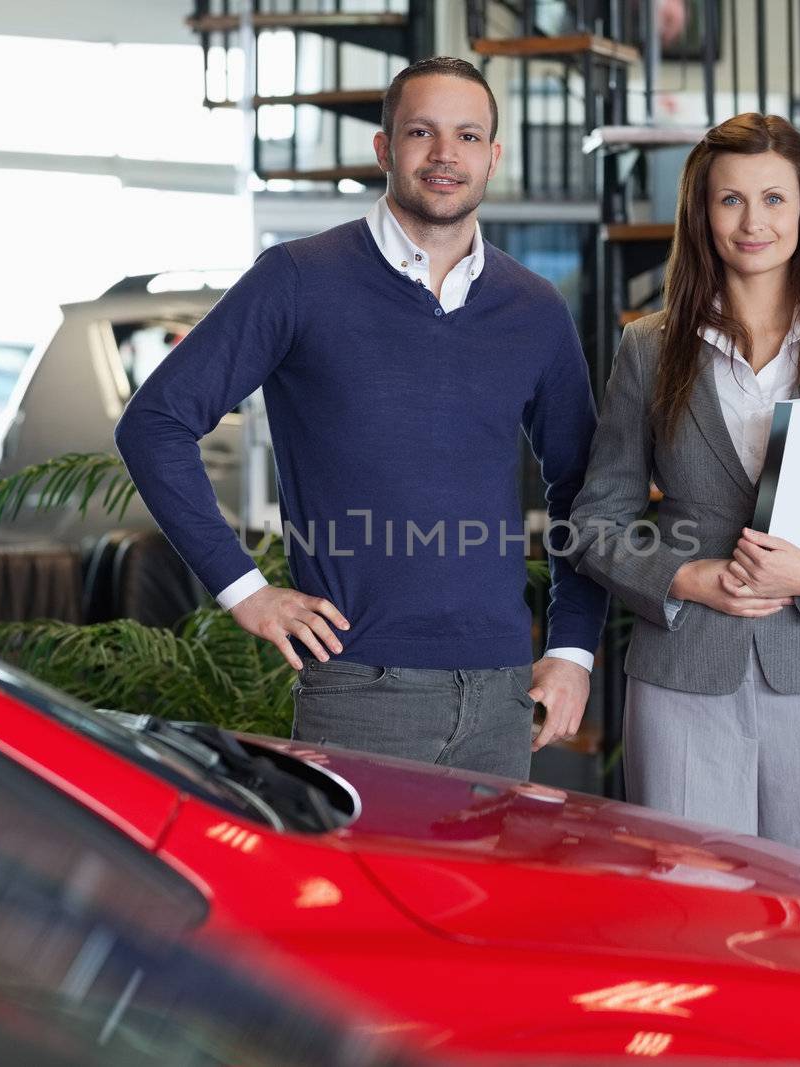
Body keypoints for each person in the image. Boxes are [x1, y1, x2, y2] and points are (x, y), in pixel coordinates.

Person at [115, 57, 608, 779]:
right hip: (359, 689)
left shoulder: (533, 308)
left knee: (483, 898)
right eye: (421, 132)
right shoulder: (298, 279)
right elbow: (154, 423)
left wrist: (571, 652)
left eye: (468, 136)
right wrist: (243, 589)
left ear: (493, 157)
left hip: (503, 693)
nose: (446, 155)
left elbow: (582, 487)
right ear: (384, 149)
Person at [567, 114, 800, 876]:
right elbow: (596, 521)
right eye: (730, 200)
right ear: (702, 213)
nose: (753, 221)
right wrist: (682, 575)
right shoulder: (648, 346)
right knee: (693, 919)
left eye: (774, 198)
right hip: (685, 680)